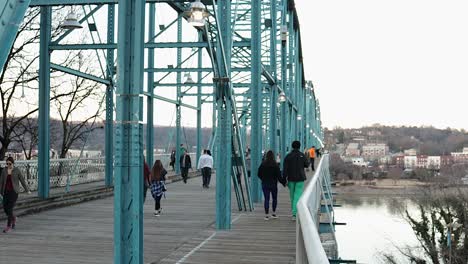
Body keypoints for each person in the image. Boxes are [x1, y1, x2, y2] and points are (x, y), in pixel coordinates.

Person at [0, 157, 31, 232]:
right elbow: (1, 182)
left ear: (13, 163)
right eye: (6, 164)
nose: (8, 165)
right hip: (5, 192)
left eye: (9, 164)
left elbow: (22, 181)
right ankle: (13, 218)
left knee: (10, 209)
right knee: (5, 208)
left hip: (14, 192)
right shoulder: (4, 170)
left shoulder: (17, 170)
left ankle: (8, 226)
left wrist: (27, 190)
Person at [283, 141, 309, 221]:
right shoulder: (302, 155)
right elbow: (307, 164)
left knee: (292, 196)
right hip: (300, 178)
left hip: (290, 178)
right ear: (299, 146)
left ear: (292, 146)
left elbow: (285, 169)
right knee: (297, 195)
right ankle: (295, 213)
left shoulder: (288, 156)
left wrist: (284, 179)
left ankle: (294, 213)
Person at [257, 150, 285, 220]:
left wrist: (263, 179)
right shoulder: (275, 165)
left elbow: (259, 174)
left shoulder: (263, 164)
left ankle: (266, 215)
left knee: (266, 199)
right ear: (273, 156)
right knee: (274, 198)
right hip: (273, 184)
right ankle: (273, 213)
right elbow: (279, 176)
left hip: (265, 184)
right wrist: (284, 183)